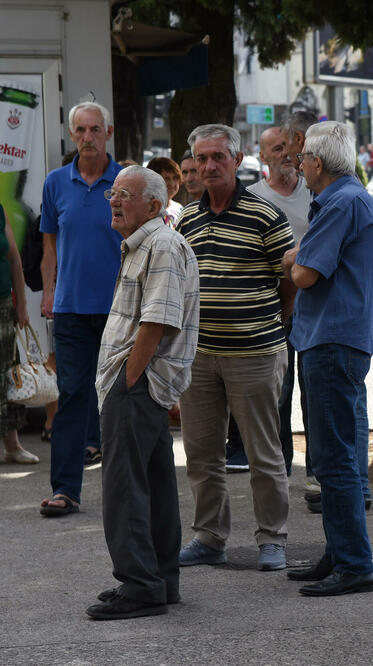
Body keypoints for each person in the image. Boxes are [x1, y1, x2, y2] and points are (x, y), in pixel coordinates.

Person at [174, 124, 295, 572]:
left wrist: (274, 325)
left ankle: (273, 539)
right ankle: (209, 537)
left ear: (237, 160)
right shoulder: (186, 218)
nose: (209, 166)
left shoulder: (264, 215)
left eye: (218, 157)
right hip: (199, 357)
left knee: (264, 454)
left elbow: (289, 281)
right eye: (202, 158)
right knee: (202, 455)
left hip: (255, 355)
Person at [85, 166, 199, 620]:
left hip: (137, 384)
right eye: (113, 192)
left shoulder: (162, 244)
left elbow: (157, 321)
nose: (114, 200)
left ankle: (140, 586)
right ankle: (158, 581)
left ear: (154, 204)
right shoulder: (144, 243)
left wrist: (128, 380)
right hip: (139, 384)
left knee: (124, 489)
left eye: (126, 195)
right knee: (152, 485)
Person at [281, 121, 373, 597]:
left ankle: (354, 563)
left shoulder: (341, 202)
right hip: (334, 340)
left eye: (302, 159)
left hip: (331, 342)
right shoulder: (355, 198)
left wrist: (291, 258)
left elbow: (303, 274)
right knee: (329, 455)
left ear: (317, 164)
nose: (299, 166)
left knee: (336, 458)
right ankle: (341, 552)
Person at [38, 101, 123, 516]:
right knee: (72, 395)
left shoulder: (127, 180)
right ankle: (66, 490)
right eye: (80, 130)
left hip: (120, 309)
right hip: (71, 309)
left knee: (121, 397)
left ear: (108, 132)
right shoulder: (56, 182)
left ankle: (128, 488)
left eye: (94, 130)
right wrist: (48, 292)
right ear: (72, 135)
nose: (87, 138)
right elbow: (49, 246)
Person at [245, 126, 312, 477]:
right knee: (279, 395)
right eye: (276, 148)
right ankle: (281, 468)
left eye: (288, 147)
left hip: (314, 307)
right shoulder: (254, 197)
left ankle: (317, 472)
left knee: (313, 394)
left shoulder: (315, 191)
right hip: (274, 310)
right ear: (263, 157)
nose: (285, 153)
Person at [0, 205, 36, 465]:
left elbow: (14, 259)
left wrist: (21, 306)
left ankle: (12, 445)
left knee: (9, 373)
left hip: (3, 305)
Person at [145, 157, 184, 227]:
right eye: (166, 178)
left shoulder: (180, 209)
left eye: (175, 178)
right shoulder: (145, 210)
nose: (172, 183)